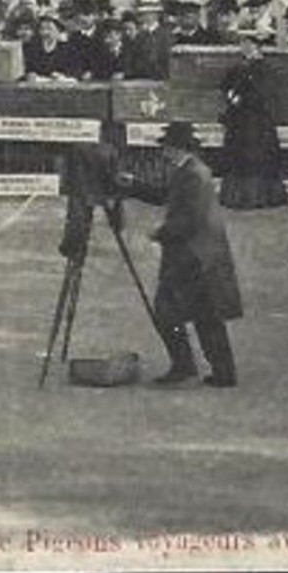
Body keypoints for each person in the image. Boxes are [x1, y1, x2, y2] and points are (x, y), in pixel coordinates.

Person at [119, 121, 244, 387]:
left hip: (192, 257)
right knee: (207, 315)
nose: (164, 152)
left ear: (177, 148)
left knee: (167, 310)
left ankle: (185, 365)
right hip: (203, 256)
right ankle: (223, 372)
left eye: (167, 147)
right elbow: (165, 195)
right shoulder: (190, 170)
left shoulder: (192, 175)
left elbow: (188, 220)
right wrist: (134, 184)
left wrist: (159, 233)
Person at [217, 34, 288, 209]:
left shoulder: (264, 68)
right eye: (243, 43)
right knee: (238, 156)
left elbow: (264, 94)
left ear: (258, 46)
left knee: (256, 156)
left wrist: (241, 99)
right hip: (239, 121)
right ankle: (236, 197)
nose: (245, 46)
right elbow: (225, 85)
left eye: (249, 43)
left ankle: (256, 197)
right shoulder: (238, 66)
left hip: (257, 122)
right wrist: (231, 96)